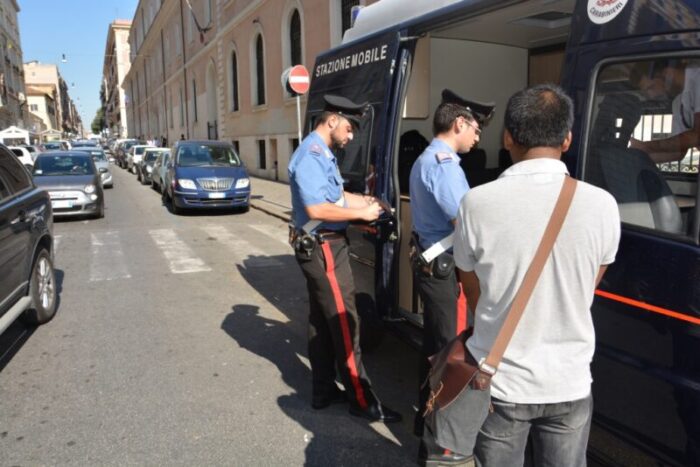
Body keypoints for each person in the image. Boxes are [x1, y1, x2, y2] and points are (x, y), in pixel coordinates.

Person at [453, 84, 621, 466]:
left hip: (500, 380)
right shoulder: (603, 205)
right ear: (567, 138)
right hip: (570, 381)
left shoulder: (476, 203)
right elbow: (589, 283)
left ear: (508, 137)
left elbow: (471, 287)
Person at [288, 94, 402, 424]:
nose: (351, 137)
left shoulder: (322, 153)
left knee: (322, 323)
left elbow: (334, 196)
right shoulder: (312, 154)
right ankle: (362, 400)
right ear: (333, 120)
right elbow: (317, 209)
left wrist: (366, 200)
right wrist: (361, 214)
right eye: (349, 129)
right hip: (324, 247)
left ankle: (323, 390)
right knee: (344, 321)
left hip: (322, 244)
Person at [409, 89, 494, 466]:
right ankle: (442, 447)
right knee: (452, 359)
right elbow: (466, 226)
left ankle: (426, 429)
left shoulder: (431, 158)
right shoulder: (444, 165)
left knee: (437, 355)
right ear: (460, 123)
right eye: (476, 127)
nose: (479, 136)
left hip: (434, 269)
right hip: (446, 272)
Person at [630, 59, 700, 163]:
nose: (651, 95)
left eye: (651, 87)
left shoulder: (697, 77)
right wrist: (634, 157)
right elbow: (677, 153)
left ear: (667, 74)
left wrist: (646, 146)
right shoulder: (677, 102)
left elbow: (698, 136)